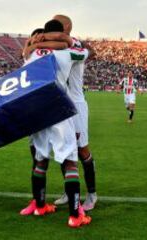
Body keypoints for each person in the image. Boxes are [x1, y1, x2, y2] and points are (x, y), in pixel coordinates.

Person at [19, 20, 91, 228]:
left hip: (36, 109)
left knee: (41, 158)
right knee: (69, 160)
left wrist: (33, 43)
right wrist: (67, 40)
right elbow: (85, 52)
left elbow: (26, 56)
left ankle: (40, 205)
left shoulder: (30, 54)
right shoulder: (67, 52)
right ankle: (76, 215)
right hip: (58, 107)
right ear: (60, 33)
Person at [50, 15, 98, 211]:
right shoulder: (55, 45)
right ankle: (70, 191)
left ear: (66, 27)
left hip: (76, 105)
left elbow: (90, 52)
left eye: (56, 25)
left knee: (81, 149)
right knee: (64, 149)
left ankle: (92, 194)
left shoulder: (73, 44)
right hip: (59, 103)